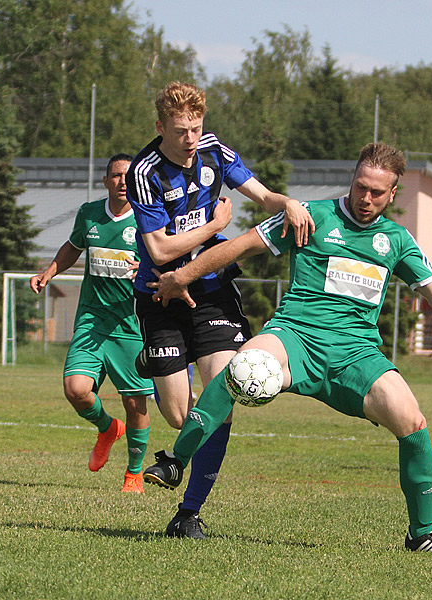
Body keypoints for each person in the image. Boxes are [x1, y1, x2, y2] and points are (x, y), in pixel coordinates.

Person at [144, 143, 432, 553]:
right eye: (361, 187)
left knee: (412, 420)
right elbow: (239, 246)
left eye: (377, 193)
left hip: (356, 356)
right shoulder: (309, 216)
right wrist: (182, 275)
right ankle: (174, 461)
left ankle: (423, 536)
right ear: (353, 179)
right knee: (242, 367)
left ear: (393, 194)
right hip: (295, 337)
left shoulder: (397, 240)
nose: (366, 198)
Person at [125, 81, 314, 539]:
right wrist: (215, 225)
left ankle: (187, 513)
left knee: (222, 396)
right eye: (180, 130)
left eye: (196, 127)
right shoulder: (143, 171)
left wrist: (288, 203)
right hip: (161, 293)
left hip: (210, 291)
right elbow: (161, 248)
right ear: (159, 127)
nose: (191, 139)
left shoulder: (213, 151)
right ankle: (155, 361)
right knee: (176, 415)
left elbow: (263, 196)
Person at [30, 154, 153, 493]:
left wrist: (145, 274)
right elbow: (72, 248)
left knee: (134, 400)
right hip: (92, 320)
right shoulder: (89, 214)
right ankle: (107, 428)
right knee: (76, 389)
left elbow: (166, 260)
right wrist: (48, 271)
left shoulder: (149, 218)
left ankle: (133, 473)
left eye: (128, 176)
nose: (123, 181)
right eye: (116, 175)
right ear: (105, 181)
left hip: (131, 323)